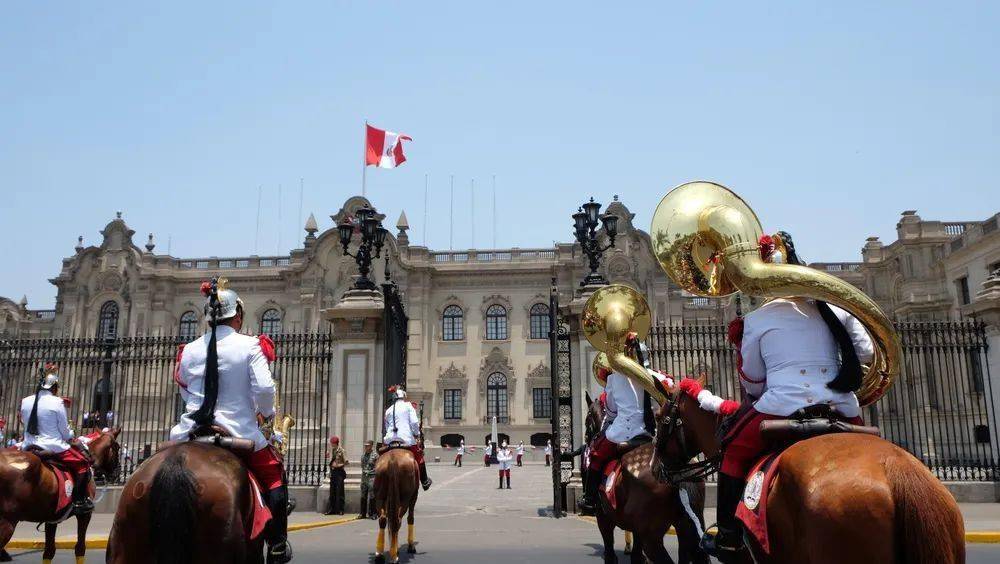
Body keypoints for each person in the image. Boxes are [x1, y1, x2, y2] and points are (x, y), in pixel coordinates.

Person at [702, 232, 874, 562]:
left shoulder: (757, 319)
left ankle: (727, 535)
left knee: (733, 453)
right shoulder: (835, 309)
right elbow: (865, 352)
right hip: (840, 405)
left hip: (780, 406)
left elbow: (752, 382)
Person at [169, 281, 292, 563]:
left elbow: (185, 389)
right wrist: (267, 413)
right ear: (237, 315)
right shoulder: (250, 345)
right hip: (238, 432)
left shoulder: (188, 350)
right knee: (273, 475)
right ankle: (276, 542)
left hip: (189, 433)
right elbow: (264, 389)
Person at [578, 349, 649, 514]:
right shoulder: (649, 375)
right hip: (646, 431)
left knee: (595, 456)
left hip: (623, 432)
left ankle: (590, 500)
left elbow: (610, 412)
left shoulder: (614, 380)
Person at [19, 366, 95, 514]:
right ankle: (79, 502)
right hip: (52, 447)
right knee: (83, 465)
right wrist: (71, 434)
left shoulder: (25, 401)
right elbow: (65, 432)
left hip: (27, 446)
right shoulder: (57, 402)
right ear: (54, 387)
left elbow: (24, 422)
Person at [382, 386, 432, 490]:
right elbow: (414, 422)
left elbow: (386, 427)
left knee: (381, 458)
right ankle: (425, 481)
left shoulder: (388, 410)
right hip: (406, 440)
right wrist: (417, 433)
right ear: (403, 397)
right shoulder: (408, 406)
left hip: (390, 441)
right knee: (420, 458)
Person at [325, 436, 347, 515]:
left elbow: (346, 462)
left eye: (332, 443)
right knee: (332, 492)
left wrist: (339, 465)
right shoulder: (331, 451)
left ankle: (341, 509)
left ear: (335, 443)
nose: (331, 445)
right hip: (333, 472)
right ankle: (332, 509)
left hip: (339, 472)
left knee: (340, 491)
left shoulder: (341, 451)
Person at [359, 440, 378, 519]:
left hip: (372, 476)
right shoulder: (363, 455)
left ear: (371, 446)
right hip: (364, 477)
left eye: (367, 446)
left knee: (372, 495)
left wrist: (372, 472)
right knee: (363, 495)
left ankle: (373, 513)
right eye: (365, 446)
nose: (366, 447)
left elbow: (377, 466)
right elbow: (362, 465)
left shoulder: (375, 455)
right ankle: (362, 513)